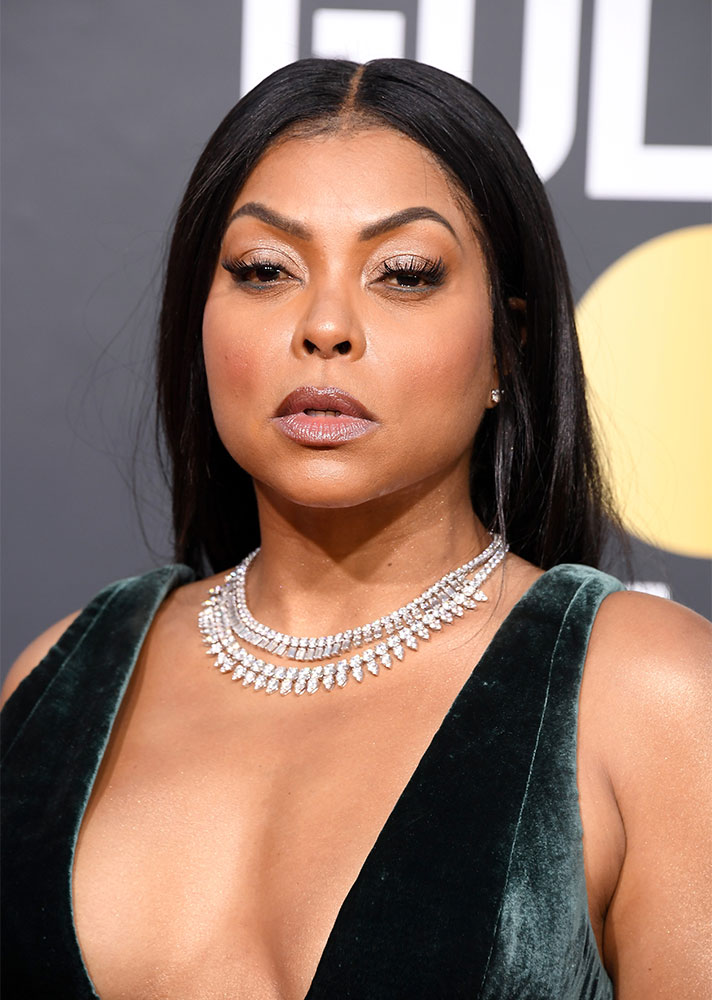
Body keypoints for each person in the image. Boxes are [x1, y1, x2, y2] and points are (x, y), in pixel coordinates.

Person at [1, 58, 709, 1000]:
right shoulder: (58, 683)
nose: (326, 325)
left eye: (404, 275)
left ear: (511, 343)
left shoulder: (651, 696)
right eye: (264, 271)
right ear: (199, 317)